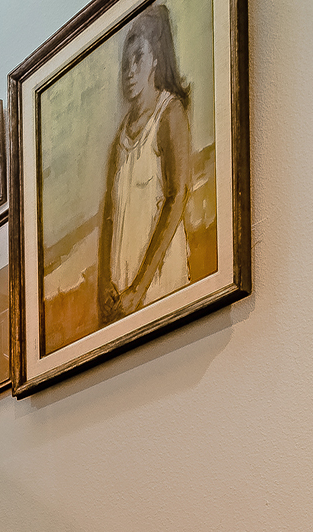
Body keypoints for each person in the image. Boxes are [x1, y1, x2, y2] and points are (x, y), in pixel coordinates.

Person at [98, 4, 192, 325]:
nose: (130, 69)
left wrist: (139, 290)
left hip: (161, 284)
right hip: (123, 289)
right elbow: (110, 215)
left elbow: (177, 197)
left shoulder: (170, 113)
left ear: (155, 59)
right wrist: (104, 285)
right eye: (126, 61)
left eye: (138, 57)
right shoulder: (120, 138)